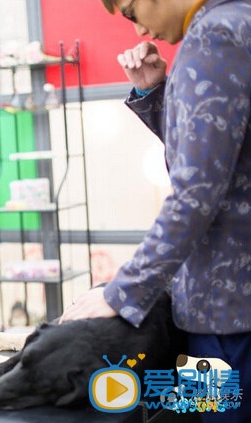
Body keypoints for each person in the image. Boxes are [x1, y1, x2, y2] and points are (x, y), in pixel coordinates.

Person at [60, 1, 251, 421]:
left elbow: (196, 192)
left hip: (228, 312)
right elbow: (222, 156)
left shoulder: (213, 36)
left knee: (221, 412)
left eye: (130, 12)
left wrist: (122, 290)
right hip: (228, 309)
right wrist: (155, 93)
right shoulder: (235, 22)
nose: (139, 31)